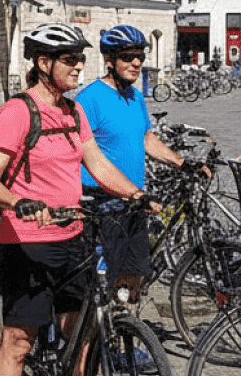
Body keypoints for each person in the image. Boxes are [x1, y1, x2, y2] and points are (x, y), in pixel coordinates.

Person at [0, 23, 151, 376]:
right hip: (28, 242)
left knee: (83, 329)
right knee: (19, 341)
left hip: (74, 237)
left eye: (80, 59)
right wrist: (21, 202)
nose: (79, 66)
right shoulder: (18, 112)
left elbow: (96, 162)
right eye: (70, 59)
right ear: (43, 64)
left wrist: (135, 194)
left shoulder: (75, 113)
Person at [76, 24, 204, 306]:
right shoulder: (89, 99)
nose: (136, 63)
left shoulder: (135, 97)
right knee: (104, 284)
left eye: (140, 57)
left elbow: (146, 137)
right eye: (127, 57)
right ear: (109, 60)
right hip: (103, 202)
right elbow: (83, 152)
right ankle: (98, 341)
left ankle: (123, 334)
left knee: (133, 278)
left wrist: (183, 164)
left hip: (135, 200)